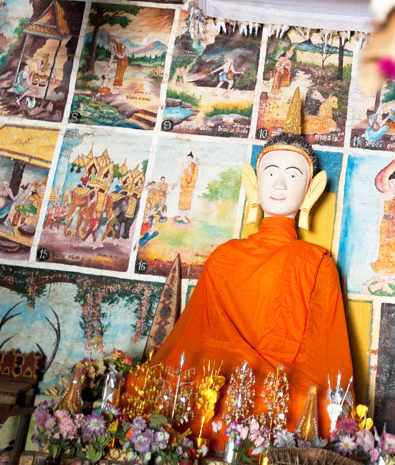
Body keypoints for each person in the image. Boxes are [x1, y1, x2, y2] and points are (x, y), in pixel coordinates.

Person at [142, 91, 353, 442]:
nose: (281, 184)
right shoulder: (225, 255)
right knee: (162, 389)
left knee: (305, 406)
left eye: (293, 176)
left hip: (274, 395)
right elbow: (196, 339)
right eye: (271, 173)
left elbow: (322, 359)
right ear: (253, 184)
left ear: (312, 190)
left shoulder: (315, 262)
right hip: (218, 386)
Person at [371, 167, 395, 276]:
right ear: (389, 182)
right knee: (383, 245)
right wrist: (378, 227)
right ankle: (381, 264)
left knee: (393, 245)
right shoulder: (383, 195)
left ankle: (390, 264)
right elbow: (380, 213)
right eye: (392, 182)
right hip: (385, 223)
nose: (394, 184)